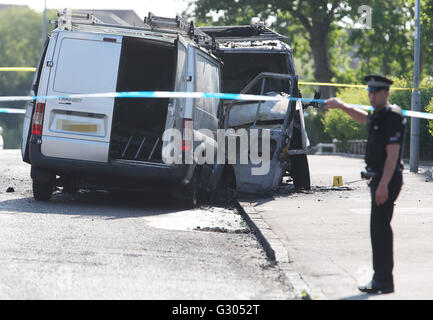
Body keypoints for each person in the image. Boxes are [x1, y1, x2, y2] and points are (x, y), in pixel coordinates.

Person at [325, 75, 406, 294]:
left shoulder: (392, 118)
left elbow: (392, 155)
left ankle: (383, 281)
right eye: (369, 92)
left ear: (386, 93)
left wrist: (383, 185)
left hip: (386, 179)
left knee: (380, 231)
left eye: (376, 93)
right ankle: (381, 279)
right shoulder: (379, 115)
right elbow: (364, 119)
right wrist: (342, 106)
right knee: (378, 230)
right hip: (379, 178)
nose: (371, 96)